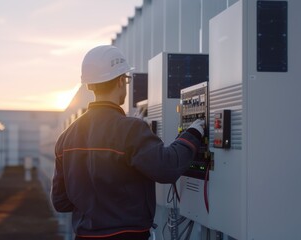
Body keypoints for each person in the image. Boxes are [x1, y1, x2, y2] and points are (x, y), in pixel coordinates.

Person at [51, 45, 205, 240]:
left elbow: (61, 202)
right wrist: (193, 133)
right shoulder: (131, 129)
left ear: (90, 85)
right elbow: (167, 167)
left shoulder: (66, 137)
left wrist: (92, 203)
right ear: (120, 82)